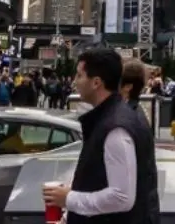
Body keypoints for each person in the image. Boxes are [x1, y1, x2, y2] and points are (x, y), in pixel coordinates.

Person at [42, 47, 160, 223]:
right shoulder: (110, 119)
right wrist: (70, 214)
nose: (75, 82)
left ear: (96, 82)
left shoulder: (116, 128)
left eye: (79, 75)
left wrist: (69, 199)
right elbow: (100, 181)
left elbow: (121, 197)